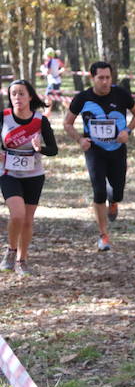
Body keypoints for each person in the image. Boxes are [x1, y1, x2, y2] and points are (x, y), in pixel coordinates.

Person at [63, 61, 135, 251]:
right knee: (98, 191)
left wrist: (128, 132)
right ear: (92, 78)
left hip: (117, 149)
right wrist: (80, 140)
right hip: (95, 150)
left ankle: (114, 200)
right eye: (101, 78)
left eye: (108, 77)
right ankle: (103, 235)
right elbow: (67, 123)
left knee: (118, 191)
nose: (105, 82)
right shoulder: (83, 98)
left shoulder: (121, 94)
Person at [0, 80, 58, 276]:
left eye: (21, 93)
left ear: (30, 96)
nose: (17, 97)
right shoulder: (4, 117)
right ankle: (10, 250)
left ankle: (22, 261)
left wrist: (38, 148)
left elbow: (53, 149)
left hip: (34, 175)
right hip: (9, 174)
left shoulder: (40, 121)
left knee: (27, 220)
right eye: (13, 94)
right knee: (17, 214)